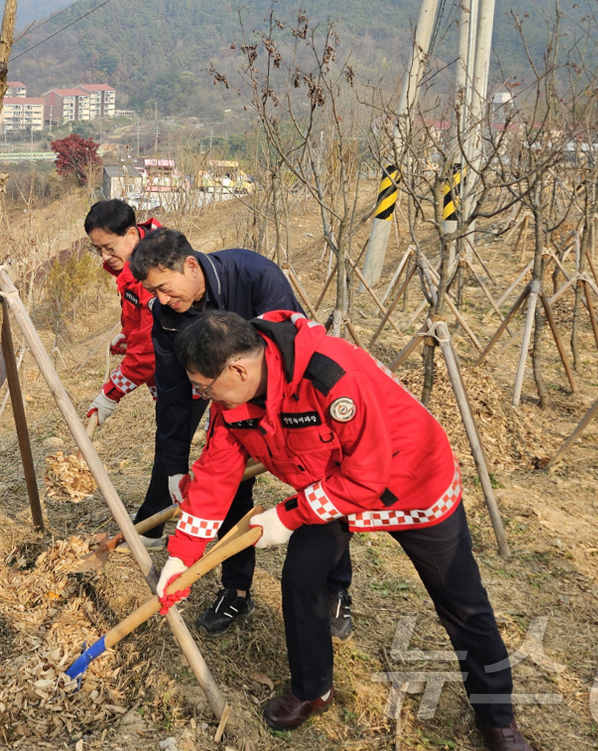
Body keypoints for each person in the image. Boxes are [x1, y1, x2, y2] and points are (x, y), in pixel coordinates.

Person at [156, 310, 531, 751]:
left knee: (461, 601)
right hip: (330, 489)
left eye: (203, 385)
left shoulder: (330, 377)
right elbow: (216, 476)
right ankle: (312, 689)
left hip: (409, 481)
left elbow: (368, 476)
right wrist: (183, 554)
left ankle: (497, 717)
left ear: (238, 369)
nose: (202, 395)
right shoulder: (231, 404)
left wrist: (288, 517)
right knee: (302, 576)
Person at [129, 227, 353, 637]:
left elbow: (288, 352)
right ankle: (235, 589)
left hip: (291, 407)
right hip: (230, 411)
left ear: (191, 265)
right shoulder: (167, 317)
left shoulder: (254, 275)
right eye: (152, 292)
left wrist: (277, 430)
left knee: (321, 484)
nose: (161, 300)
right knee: (227, 492)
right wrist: (175, 466)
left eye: (164, 287)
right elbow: (174, 394)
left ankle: (336, 589)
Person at [82, 199, 161, 426]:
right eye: (98, 250)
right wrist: (128, 336)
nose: (105, 257)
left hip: (188, 373)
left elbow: (150, 347)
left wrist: (111, 393)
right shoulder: (132, 266)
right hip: (167, 372)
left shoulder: (154, 270)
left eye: (109, 248)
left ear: (133, 235)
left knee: (172, 442)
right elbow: (140, 319)